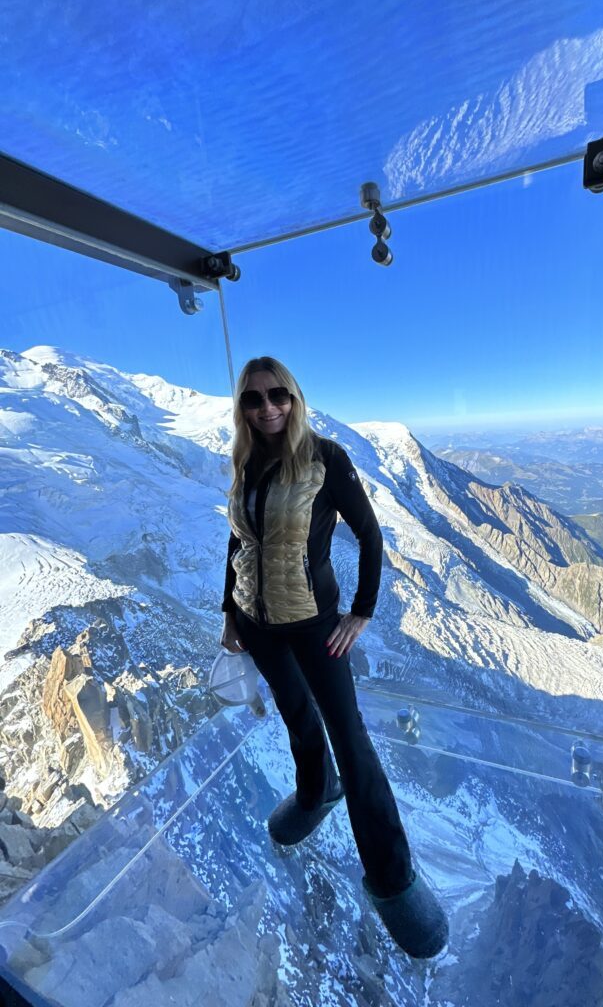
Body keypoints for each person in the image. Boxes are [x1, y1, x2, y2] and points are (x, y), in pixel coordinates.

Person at [220, 355, 448, 959]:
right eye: (253, 399)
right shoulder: (244, 459)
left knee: (352, 741)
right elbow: (238, 540)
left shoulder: (326, 458)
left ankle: (394, 878)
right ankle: (316, 790)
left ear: (295, 398)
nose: (267, 408)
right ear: (242, 407)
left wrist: (361, 611)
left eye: (278, 396)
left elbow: (370, 536)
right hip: (257, 622)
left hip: (313, 622)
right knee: (297, 715)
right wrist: (228, 613)